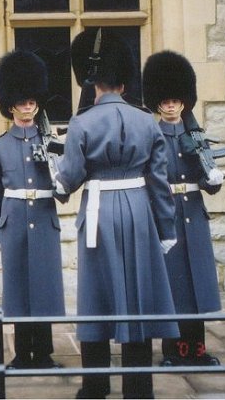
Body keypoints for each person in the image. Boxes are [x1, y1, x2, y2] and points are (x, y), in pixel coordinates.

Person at [53, 28, 179, 399]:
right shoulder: (147, 122)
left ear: (91, 82)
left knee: (96, 298)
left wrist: (57, 180)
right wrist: (166, 228)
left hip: (99, 213)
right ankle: (138, 388)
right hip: (139, 212)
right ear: (125, 82)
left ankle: (95, 385)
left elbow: (70, 178)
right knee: (137, 297)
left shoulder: (81, 123)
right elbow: (159, 182)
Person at [142, 50, 224, 366]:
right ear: (157, 102)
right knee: (172, 284)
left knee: (196, 285)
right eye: (165, 100)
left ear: (184, 100)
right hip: (166, 215)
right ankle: (173, 350)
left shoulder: (195, 134)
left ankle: (197, 349)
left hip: (193, 214)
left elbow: (209, 182)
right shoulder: (152, 134)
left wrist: (213, 176)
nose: (171, 104)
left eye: (176, 99)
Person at [0, 49, 66, 370]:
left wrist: (57, 159)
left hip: (44, 216)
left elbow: (63, 186)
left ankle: (44, 353)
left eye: (32, 101)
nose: (28, 106)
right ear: (11, 105)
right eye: (21, 101)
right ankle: (22, 354)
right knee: (19, 287)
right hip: (15, 219)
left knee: (44, 286)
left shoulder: (52, 140)